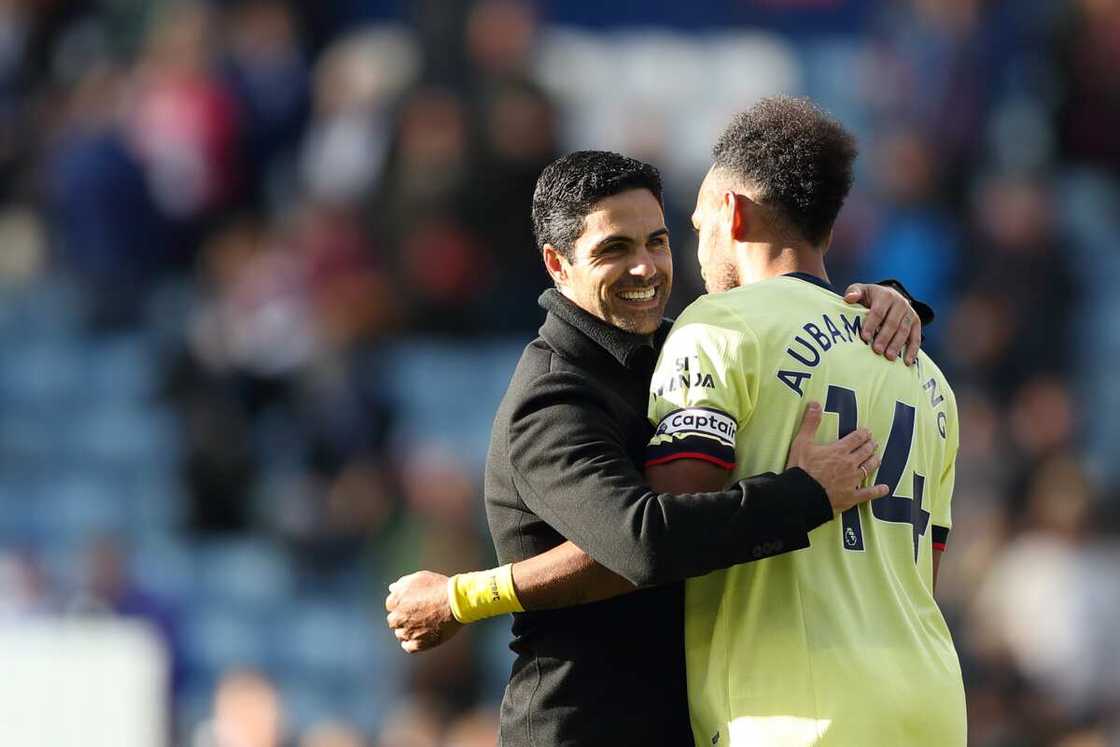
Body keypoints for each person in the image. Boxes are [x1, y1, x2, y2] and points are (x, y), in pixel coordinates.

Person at [385, 150, 931, 746]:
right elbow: (641, 545)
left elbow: (790, 325)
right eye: (614, 249)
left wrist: (885, 300)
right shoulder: (552, 401)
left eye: (658, 242)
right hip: (583, 728)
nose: (646, 268)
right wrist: (804, 494)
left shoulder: (681, 346)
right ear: (557, 265)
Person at [643, 97, 964, 745]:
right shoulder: (926, 373)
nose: (694, 239)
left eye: (698, 218)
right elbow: (918, 576)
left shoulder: (721, 323)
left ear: (732, 212)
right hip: (932, 704)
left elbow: (670, 526)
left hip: (798, 712)